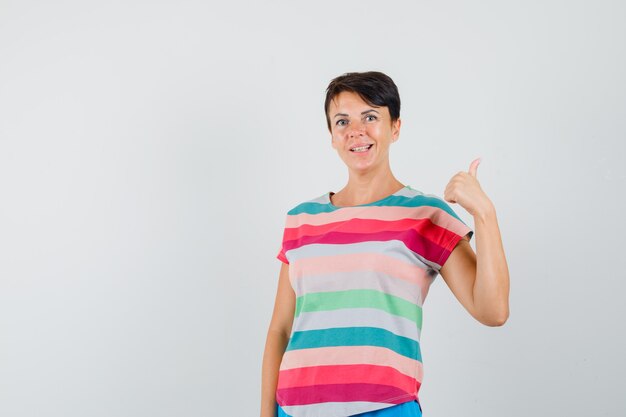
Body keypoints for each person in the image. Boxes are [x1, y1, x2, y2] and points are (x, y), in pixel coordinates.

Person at [260, 71, 510, 417]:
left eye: (371, 117)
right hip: (295, 409)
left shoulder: (425, 214)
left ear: (395, 128)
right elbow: (280, 329)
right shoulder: (302, 219)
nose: (355, 131)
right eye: (342, 121)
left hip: (384, 408)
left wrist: (485, 214)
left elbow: (493, 311)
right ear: (332, 135)